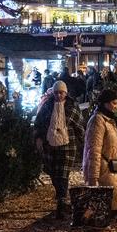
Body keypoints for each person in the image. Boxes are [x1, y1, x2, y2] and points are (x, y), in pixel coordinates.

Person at [82, 89, 117, 232]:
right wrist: (92, 176)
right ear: (105, 103)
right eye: (113, 103)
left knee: (112, 204)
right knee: (113, 204)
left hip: (112, 167)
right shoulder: (98, 120)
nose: (116, 106)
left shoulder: (109, 119)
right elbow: (93, 149)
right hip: (103, 169)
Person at [34, 80, 85, 218]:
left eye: (61, 92)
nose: (58, 95)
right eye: (56, 92)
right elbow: (39, 123)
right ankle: (61, 197)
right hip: (49, 144)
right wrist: (38, 137)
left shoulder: (72, 107)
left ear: (66, 93)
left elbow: (79, 125)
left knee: (62, 173)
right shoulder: (47, 107)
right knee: (53, 172)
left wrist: (83, 143)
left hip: (68, 144)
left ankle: (62, 202)